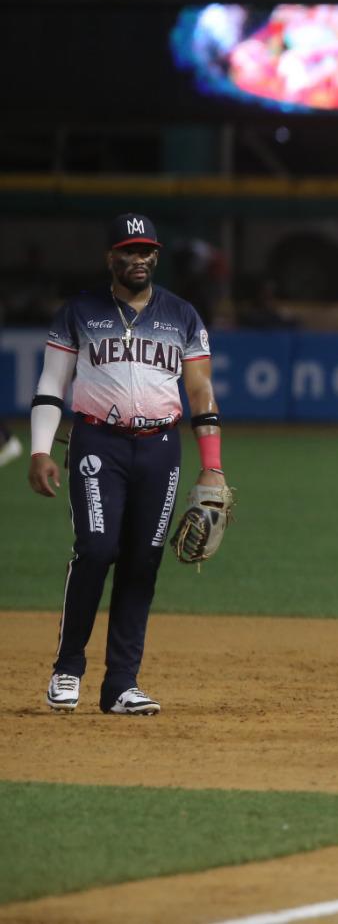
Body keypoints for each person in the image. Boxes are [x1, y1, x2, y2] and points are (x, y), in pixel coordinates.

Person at [26, 214, 227, 716]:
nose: (139, 259)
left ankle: (121, 684)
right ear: (109, 257)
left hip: (161, 447)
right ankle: (68, 669)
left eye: (147, 251)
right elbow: (52, 384)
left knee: (143, 562)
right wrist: (39, 449)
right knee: (96, 549)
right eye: (128, 250)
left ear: (157, 256)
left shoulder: (182, 315)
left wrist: (213, 465)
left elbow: (200, 390)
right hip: (98, 443)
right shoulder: (79, 312)